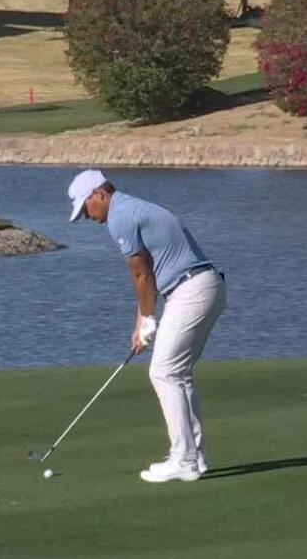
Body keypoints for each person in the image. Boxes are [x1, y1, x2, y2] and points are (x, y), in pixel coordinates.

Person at [68, 169, 227, 483]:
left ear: (98, 194)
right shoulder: (131, 208)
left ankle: (183, 459)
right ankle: (194, 456)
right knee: (177, 374)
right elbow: (149, 275)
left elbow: (140, 274)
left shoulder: (120, 216)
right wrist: (142, 320)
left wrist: (150, 318)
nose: (86, 216)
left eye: (86, 208)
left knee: (164, 372)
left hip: (191, 289)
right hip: (204, 287)